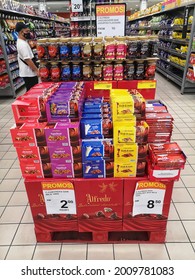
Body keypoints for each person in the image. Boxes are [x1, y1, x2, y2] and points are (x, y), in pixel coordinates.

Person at [15, 22, 39, 91]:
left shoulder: (23, 42)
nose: (29, 33)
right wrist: (36, 70)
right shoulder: (22, 44)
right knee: (32, 91)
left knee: (31, 90)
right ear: (21, 32)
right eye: (27, 31)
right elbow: (28, 60)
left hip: (29, 73)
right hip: (29, 73)